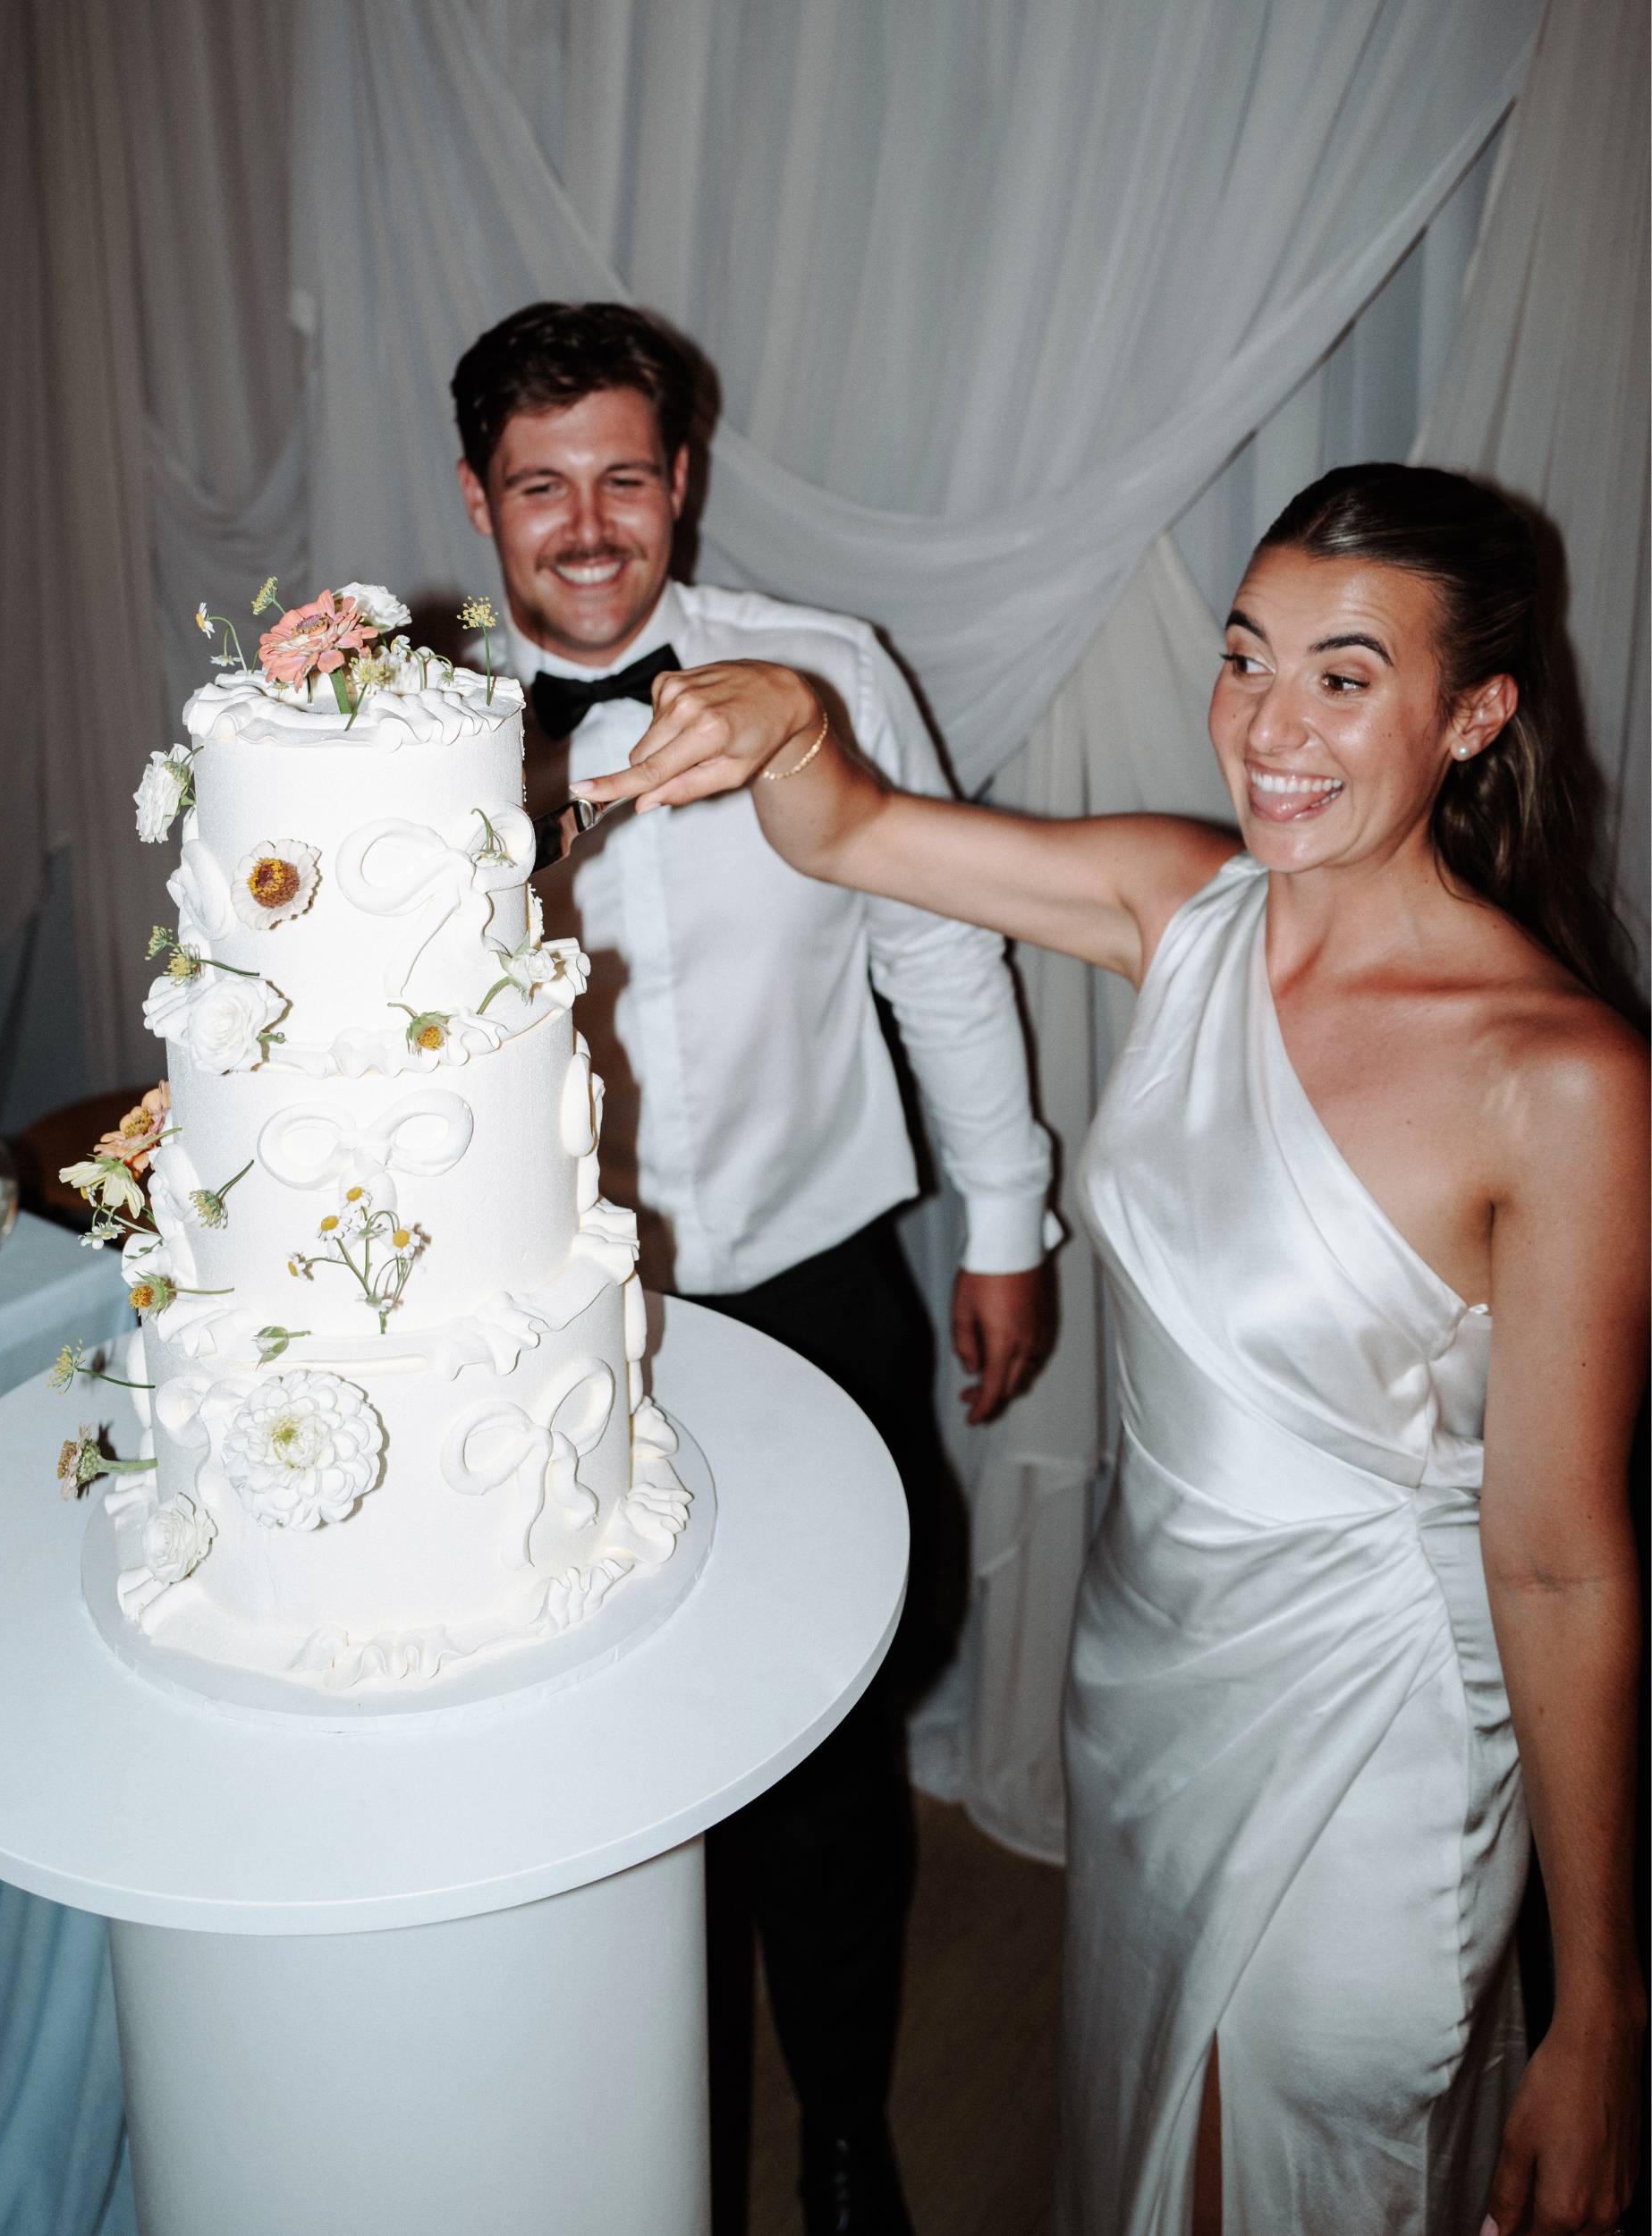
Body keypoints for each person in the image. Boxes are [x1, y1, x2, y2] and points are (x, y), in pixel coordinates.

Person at [572, 462, 1648, 2236]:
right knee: (1148, 2133)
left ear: (1475, 715)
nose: (1268, 727)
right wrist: (784, 719)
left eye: (1345, 676)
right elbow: (851, 834)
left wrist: (1601, 1999)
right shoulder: (1181, 903)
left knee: (1327, 2150)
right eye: (1246, 656)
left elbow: (1559, 1561)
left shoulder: (1563, 1082)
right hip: (1147, 1677)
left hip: (1370, 1736)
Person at [451, 301, 1059, 2235]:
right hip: (547, 1323)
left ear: (685, 478)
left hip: (815, 1289)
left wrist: (1008, 1215)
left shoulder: (828, 669)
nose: (589, 525)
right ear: (476, 498)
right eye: (541, 486)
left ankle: (853, 2135)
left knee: (830, 1753)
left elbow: (939, 944)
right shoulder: (407, 726)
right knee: (609, 1760)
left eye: (625, 476)